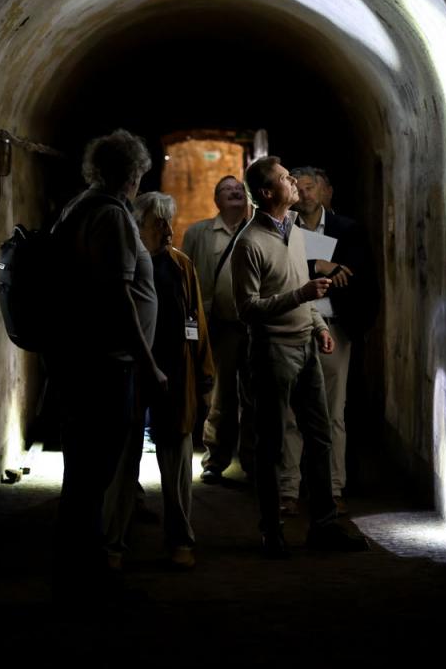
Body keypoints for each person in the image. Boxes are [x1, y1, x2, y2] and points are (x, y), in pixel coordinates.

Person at [48, 129, 167, 598]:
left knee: (84, 473)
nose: (140, 180)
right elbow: (117, 296)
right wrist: (148, 362)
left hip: (83, 359)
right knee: (94, 473)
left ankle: (76, 571)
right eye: (139, 172)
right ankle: (87, 578)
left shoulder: (78, 206)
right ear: (132, 173)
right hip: (104, 364)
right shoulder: (112, 215)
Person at [231, 157, 368, 557]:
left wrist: (320, 328)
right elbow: (248, 309)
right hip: (272, 350)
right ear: (268, 193)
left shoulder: (292, 230)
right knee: (272, 443)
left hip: (306, 343)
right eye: (286, 179)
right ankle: (271, 531)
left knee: (320, 435)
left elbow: (300, 283)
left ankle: (323, 524)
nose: (294, 182)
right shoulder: (250, 243)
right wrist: (302, 298)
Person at [103, 192, 214, 570]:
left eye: (170, 222)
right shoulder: (124, 264)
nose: (168, 229)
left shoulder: (181, 265)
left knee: (179, 463)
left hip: (175, 373)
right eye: (159, 223)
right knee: (122, 461)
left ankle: (180, 540)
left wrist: (204, 375)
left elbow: (196, 322)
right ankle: (112, 545)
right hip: (131, 373)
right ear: (138, 227)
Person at [279, 167, 380, 515]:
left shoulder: (347, 230)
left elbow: (358, 278)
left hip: (334, 327)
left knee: (332, 412)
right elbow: (280, 273)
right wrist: (320, 266)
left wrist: (332, 270)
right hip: (292, 325)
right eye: (299, 187)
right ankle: (288, 490)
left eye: (311, 188)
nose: (305, 194)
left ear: (325, 192)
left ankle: (333, 487)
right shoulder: (282, 227)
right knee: (290, 414)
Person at [181, 174, 255, 483]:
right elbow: (186, 278)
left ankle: (253, 460)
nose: (235, 192)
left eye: (239, 189)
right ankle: (215, 459)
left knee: (254, 397)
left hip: (253, 326)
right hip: (219, 326)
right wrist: (191, 325)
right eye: (227, 190)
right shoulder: (200, 233)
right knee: (221, 396)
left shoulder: (258, 230)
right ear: (216, 201)